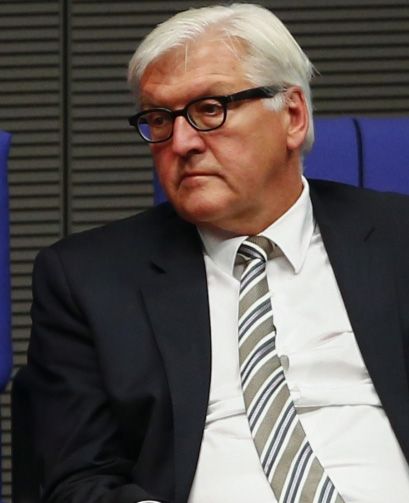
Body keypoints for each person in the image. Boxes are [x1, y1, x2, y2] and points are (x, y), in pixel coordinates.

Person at [24, 3, 409, 503]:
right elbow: (78, 477)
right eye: (159, 118)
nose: (181, 142)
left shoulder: (398, 238)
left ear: (292, 116)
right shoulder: (87, 279)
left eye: (210, 109)